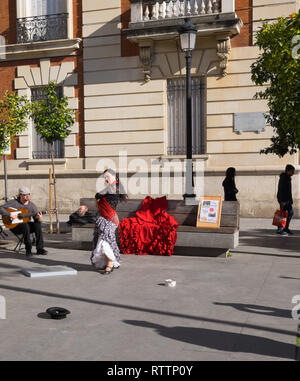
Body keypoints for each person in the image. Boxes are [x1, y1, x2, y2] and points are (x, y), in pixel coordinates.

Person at [90, 169, 127, 275]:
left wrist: (99, 197)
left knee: (105, 242)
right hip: (104, 219)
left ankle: (110, 263)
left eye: (108, 176)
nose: (106, 179)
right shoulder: (111, 187)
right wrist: (98, 197)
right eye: (105, 177)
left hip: (109, 220)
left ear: (114, 176)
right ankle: (111, 262)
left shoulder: (114, 188)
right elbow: (99, 195)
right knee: (104, 241)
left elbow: (99, 195)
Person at [0, 186, 48, 257]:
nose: (27, 196)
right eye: (25, 195)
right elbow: (0, 208)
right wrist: (9, 214)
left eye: (28, 194)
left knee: (37, 225)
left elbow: (36, 219)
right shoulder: (14, 203)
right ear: (20, 195)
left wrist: (40, 218)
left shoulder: (31, 205)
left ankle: (40, 249)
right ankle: (28, 250)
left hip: (26, 226)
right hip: (15, 226)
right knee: (25, 225)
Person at [276, 164, 295, 235]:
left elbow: (289, 191)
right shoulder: (283, 178)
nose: (293, 172)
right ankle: (280, 229)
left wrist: (290, 200)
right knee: (282, 214)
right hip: (283, 200)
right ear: (288, 171)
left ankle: (285, 227)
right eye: (292, 171)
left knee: (290, 212)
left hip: (287, 200)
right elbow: (280, 190)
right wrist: (281, 201)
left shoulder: (288, 178)